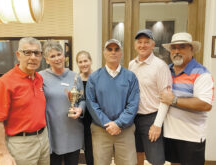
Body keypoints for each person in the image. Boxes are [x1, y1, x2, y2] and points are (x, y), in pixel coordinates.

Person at [160, 32, 214, 165]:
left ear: (191, 49)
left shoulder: (202, 74)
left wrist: (174, 100)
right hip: (170, 133)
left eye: (182, 47)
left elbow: (205, 105)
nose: (177, 51)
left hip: (192, 137)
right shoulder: (166, 70)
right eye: (174, 48)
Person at [0, 37, 49, 165]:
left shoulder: (39, 78)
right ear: (18, 55)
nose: (33, 57)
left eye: (37, 53)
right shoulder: (5, 82)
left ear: (41, 56)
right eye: (27, 52)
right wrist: (3, 154)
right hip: (21, 144)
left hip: (43, 139)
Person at [86, 39, 139, 165]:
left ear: (121, 53)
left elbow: (133, 103)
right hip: (101, 131)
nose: (113, 52)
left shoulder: (130, 76)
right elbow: (91, 103)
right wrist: (107, 123)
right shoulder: (94, 77)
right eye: (109, 49)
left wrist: (118, 123)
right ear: (104, 53)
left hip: (125, 130)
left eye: (117, 49)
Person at [129, 29, 172, 165]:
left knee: (156, 159)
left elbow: (166, 98)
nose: (143, 45)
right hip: (133, 117)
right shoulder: (131, 64)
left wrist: (157, 124)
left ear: (153, 45)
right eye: (140, 42)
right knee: (136, 154)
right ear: (135, 45)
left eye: (146, 42)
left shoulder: (160, 66)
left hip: (151, 118)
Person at [39, 41, 85, 165]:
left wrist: (80, 109)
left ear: (64, 56)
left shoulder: (75, 76)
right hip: (52, 133)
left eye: (59, 54)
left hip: (72, 130)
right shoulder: (40, 77)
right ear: (47, 60)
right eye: (52, 56)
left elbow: (82, 100)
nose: (57, 58)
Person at [76, 50, 93, 165]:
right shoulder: (76, 79)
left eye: (85, 61)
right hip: (81, 119)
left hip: (95, 119)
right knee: (87, 148)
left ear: (90, 61)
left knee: (96, 148)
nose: (83, 64)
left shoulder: (97, 77)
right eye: (80, 62)